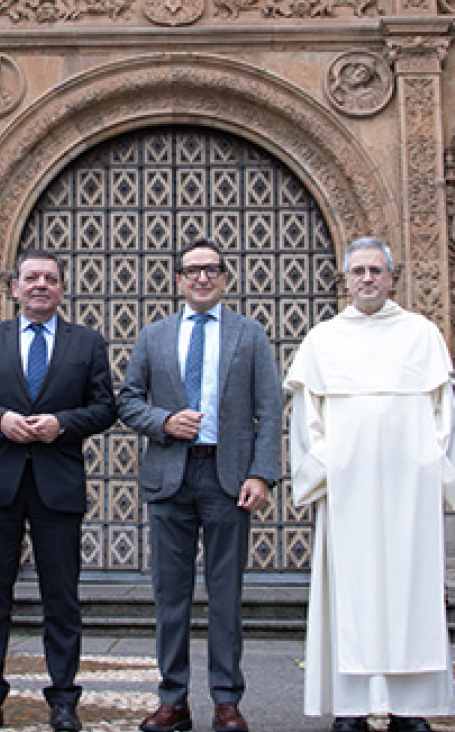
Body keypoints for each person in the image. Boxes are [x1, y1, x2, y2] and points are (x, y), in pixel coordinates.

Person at [286, 237, 455, 732]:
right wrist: (328, 468)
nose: (367, 279)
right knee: (349, 597)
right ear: (344, 279)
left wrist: (432, 469)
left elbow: (443, 416)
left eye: (376, 271)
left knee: (413, 594)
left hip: (410, 491)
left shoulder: (422, 335)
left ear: (392, 277)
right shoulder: (323, 340)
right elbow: (308, 420)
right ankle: (352, 706)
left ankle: (411, 707)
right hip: (348, 491)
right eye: (358, 271)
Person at [0, 251, 118, 732]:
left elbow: (106, 408)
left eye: (50, 278)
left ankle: (64, 699)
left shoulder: (86, 343)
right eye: (32, 278)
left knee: (61, 598)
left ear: (62, 289)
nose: (40, 285)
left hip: (57, 487)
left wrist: (61, 425)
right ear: (14, 287)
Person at [118, 240, 282, 732]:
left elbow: (270, 410)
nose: (202, 278)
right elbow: (127, 401)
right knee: (170, 595)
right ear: (178, 280)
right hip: (170, 476)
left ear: (225, 278)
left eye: (211, 270)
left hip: (227, 477)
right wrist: (164, 421)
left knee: (226, 594)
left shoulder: (249, 334)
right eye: (192, 271)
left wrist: (262, 473)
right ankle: (173, 699)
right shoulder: (154, 336)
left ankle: (227, 701)